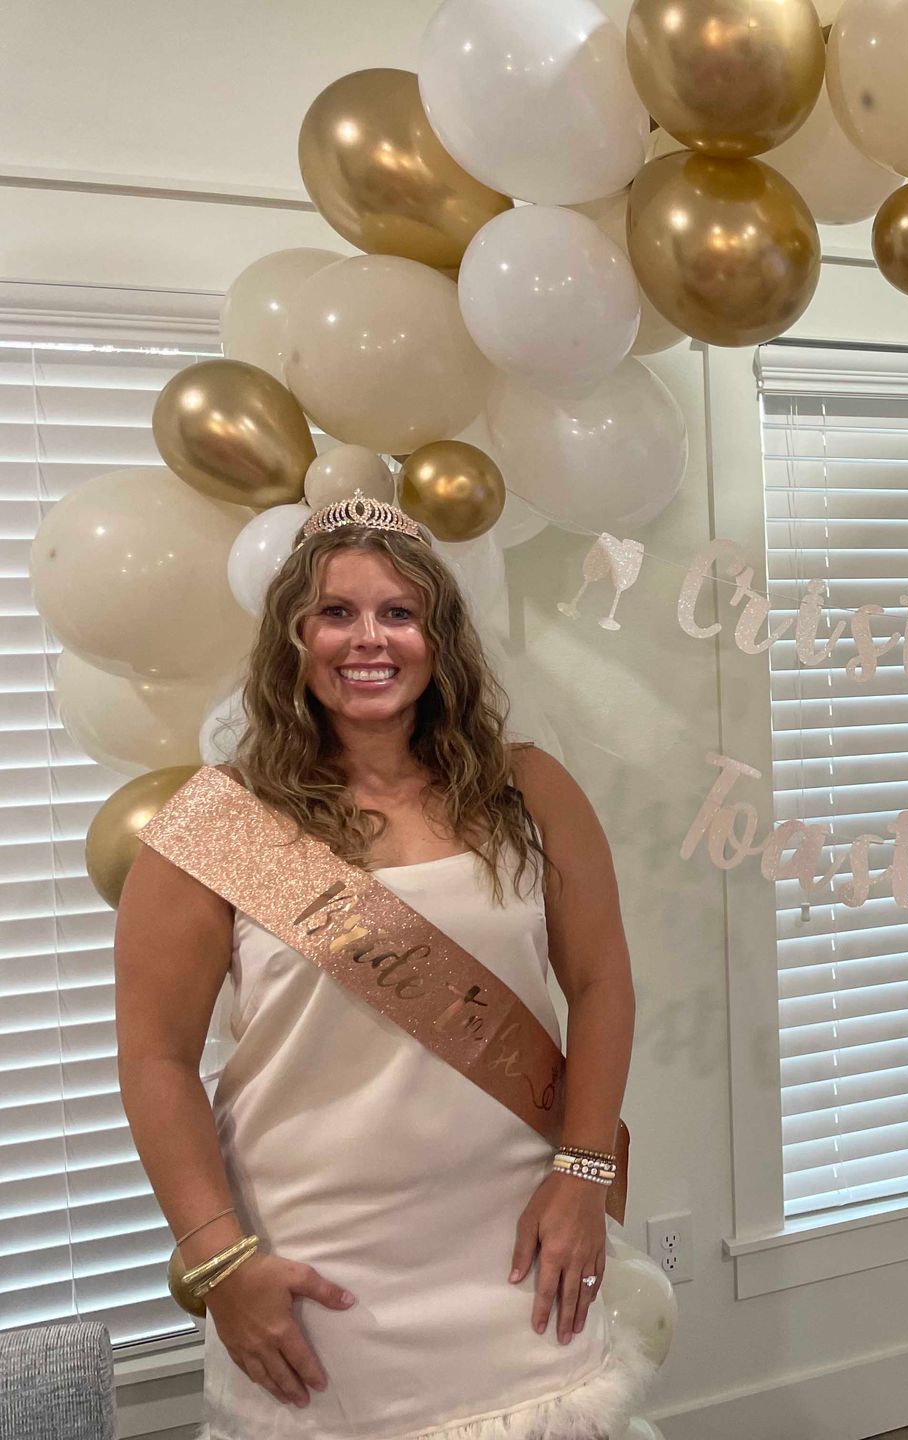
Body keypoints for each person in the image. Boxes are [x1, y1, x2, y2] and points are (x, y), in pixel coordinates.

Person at [113, 492, 649, 1438]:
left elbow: (603, 983)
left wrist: (581, 1175)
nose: (370, 639)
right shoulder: (219, 826)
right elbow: (156, 1060)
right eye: (336, 612)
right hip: (321, 1267)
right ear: (293, 637)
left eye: (399, 612)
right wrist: (221, 1262)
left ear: (439, 638)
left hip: (521, 1242)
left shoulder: (530, 789)